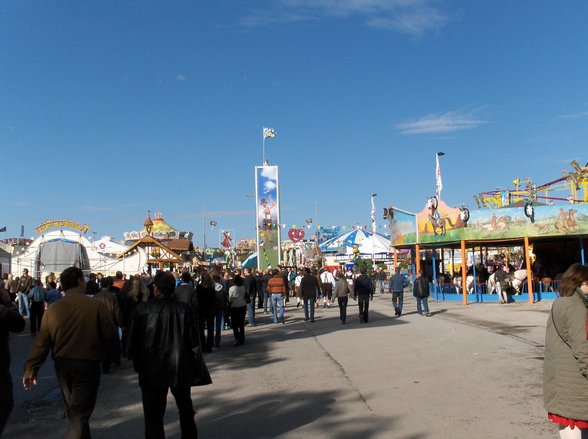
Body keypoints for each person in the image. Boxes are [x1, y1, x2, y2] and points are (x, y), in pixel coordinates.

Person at [23, 266, 121, 439]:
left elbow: (42, 342)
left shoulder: (53, 310)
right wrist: (114, 358)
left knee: (76, 411)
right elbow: (110, 335)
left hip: (63, 365)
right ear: (79, 282)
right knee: (79, 415)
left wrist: (31, 369)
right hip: (87, 364)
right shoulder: (95, 306)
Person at [127, 271, 206, 439]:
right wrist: (196, 368)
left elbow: (134, 341)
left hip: (151, 367)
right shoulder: (184, 310)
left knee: (153, 416)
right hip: (179, 365)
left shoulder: (143, 310)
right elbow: (194, 342)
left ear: (156, 289)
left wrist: (136, 363)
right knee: (185, 409)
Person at [544, 263, 588, 438]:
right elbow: (582, 346)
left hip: (560, 376)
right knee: (574, 424)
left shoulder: (561, 302)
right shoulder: (576, 307)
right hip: (574, 379)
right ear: (581, 283)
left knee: (567, 424)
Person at [0, 284, 25, 436]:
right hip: (1, 367)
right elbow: (19, 324)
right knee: (4, 403)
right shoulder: (3, 311)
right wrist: (8, 303)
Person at [196, 272, 215, 353]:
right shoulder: (212, 287)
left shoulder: (199, 287)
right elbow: (213, 297)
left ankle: (203, 346)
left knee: (201, 328)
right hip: (210, 307)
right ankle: (209, 346)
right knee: (210, 328)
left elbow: (197, 298)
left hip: (201, 308)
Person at [228, 275, 247, 346]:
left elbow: (230, 299)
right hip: (242, 305)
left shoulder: (232, 288)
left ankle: (237, 337)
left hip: (234, 306)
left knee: (234, 324)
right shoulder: (243, 287)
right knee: (241, 322)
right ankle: (242, 338)